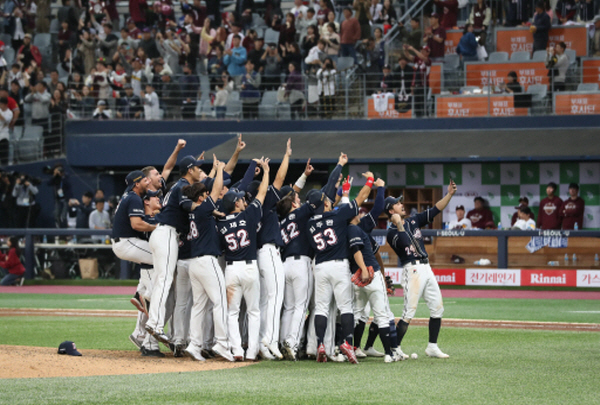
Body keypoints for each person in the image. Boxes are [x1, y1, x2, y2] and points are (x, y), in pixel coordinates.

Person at [307, 165, 375, 364]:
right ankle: (347, 343)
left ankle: (320, 344)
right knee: (345, 307)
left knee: (320, 308)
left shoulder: (309, 223)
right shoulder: (337, 216)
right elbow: (361, 198)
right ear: (325, 205)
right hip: (338, 265)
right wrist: (369, 181)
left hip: (319, 266)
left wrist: (341, 192)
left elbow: (325, 206)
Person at [386, 179, 457, 360]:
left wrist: (449, 194)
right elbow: (404, 243)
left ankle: (432, 346)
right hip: (413, 270)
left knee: (437, 308)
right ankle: (394, 348)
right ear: (390, 211)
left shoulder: (413, 220)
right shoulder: (391, 232)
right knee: (408, 312)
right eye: (397, 203)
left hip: (426, 267)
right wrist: (399, 223)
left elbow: (435, 209)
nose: (402, 205)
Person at [145, 154, 204, 347]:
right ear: (189, 170)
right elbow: (187, 205)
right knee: (164, 280)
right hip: (167, 234)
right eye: (196, 167)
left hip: (161, 234)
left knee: (162, 280)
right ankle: (154, 323)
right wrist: (207, 209)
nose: (198, 170)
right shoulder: (181, 187)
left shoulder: (177, 186)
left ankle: (153, 321)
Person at [181, 158, 235, 362]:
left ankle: (195, 344)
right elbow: (217, 189)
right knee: (220, 302)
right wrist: (220, 169)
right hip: (207, 261)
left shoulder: (197, 212)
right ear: (202, 197)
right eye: (205, 194)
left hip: (195, 262)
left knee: (199, 305)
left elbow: (210, 200)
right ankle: (221, 343)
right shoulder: (203, 209)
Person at [218, 158, 270, 361]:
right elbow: (263, 193)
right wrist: (266, 172)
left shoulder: (221, 222)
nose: (242, 200)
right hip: (249, 268)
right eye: (239, 198)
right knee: (253, 311)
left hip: (231, 269)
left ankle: (236, 350)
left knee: (232, 313)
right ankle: (250, 352)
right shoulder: (248, 215)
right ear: (236, 204)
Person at [403, 44, 431, 118]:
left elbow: (423, 58)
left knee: (423, 103)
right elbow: (408, 56)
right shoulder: (417, 60)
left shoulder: (428, 61)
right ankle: (418, 119)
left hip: (424, 85)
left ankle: (427, 118)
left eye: (423, 51)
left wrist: (413, 49)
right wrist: (405, 49)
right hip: (417, 85)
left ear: (427, 52)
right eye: (421, 50)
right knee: (416, 104)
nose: (421, 52)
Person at [48, 164, 72, 228]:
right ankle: (59, 230)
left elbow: (68, 184)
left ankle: (65, 231)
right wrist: (54, 175)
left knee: (63, 216)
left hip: (65, 199)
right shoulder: (55, 178)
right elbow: (49, 183)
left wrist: (62, 176)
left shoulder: (65, 176)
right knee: (56, 215)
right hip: (58, 199)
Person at [0, 97, 12, 165]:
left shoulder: (9, 113)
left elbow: (5, 120)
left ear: (5, 104)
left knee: (4, 156)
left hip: (4, 136)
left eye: (1, 104)